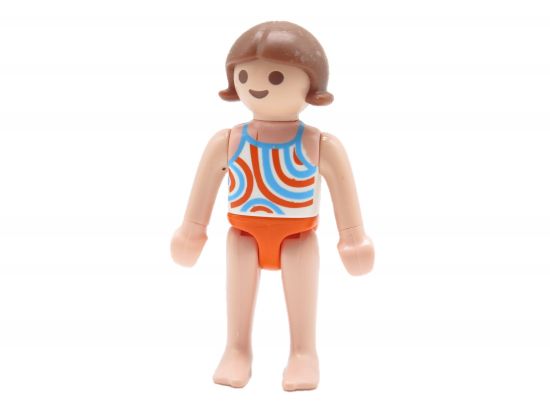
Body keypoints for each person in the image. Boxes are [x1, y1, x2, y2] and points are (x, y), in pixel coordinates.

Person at [171, 21, 374, 391]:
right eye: (244, 75)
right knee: (238, 297)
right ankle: (237, 349)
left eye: (277, 76)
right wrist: (191, 230)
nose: (257, 85)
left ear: (311, 84)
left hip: (298, 236)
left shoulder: (319, 145)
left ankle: (303, 353)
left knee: (301, 301)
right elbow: (203, 189)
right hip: (242, 234)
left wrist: (353, 237)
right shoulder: (228, 141)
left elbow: (344, 192)